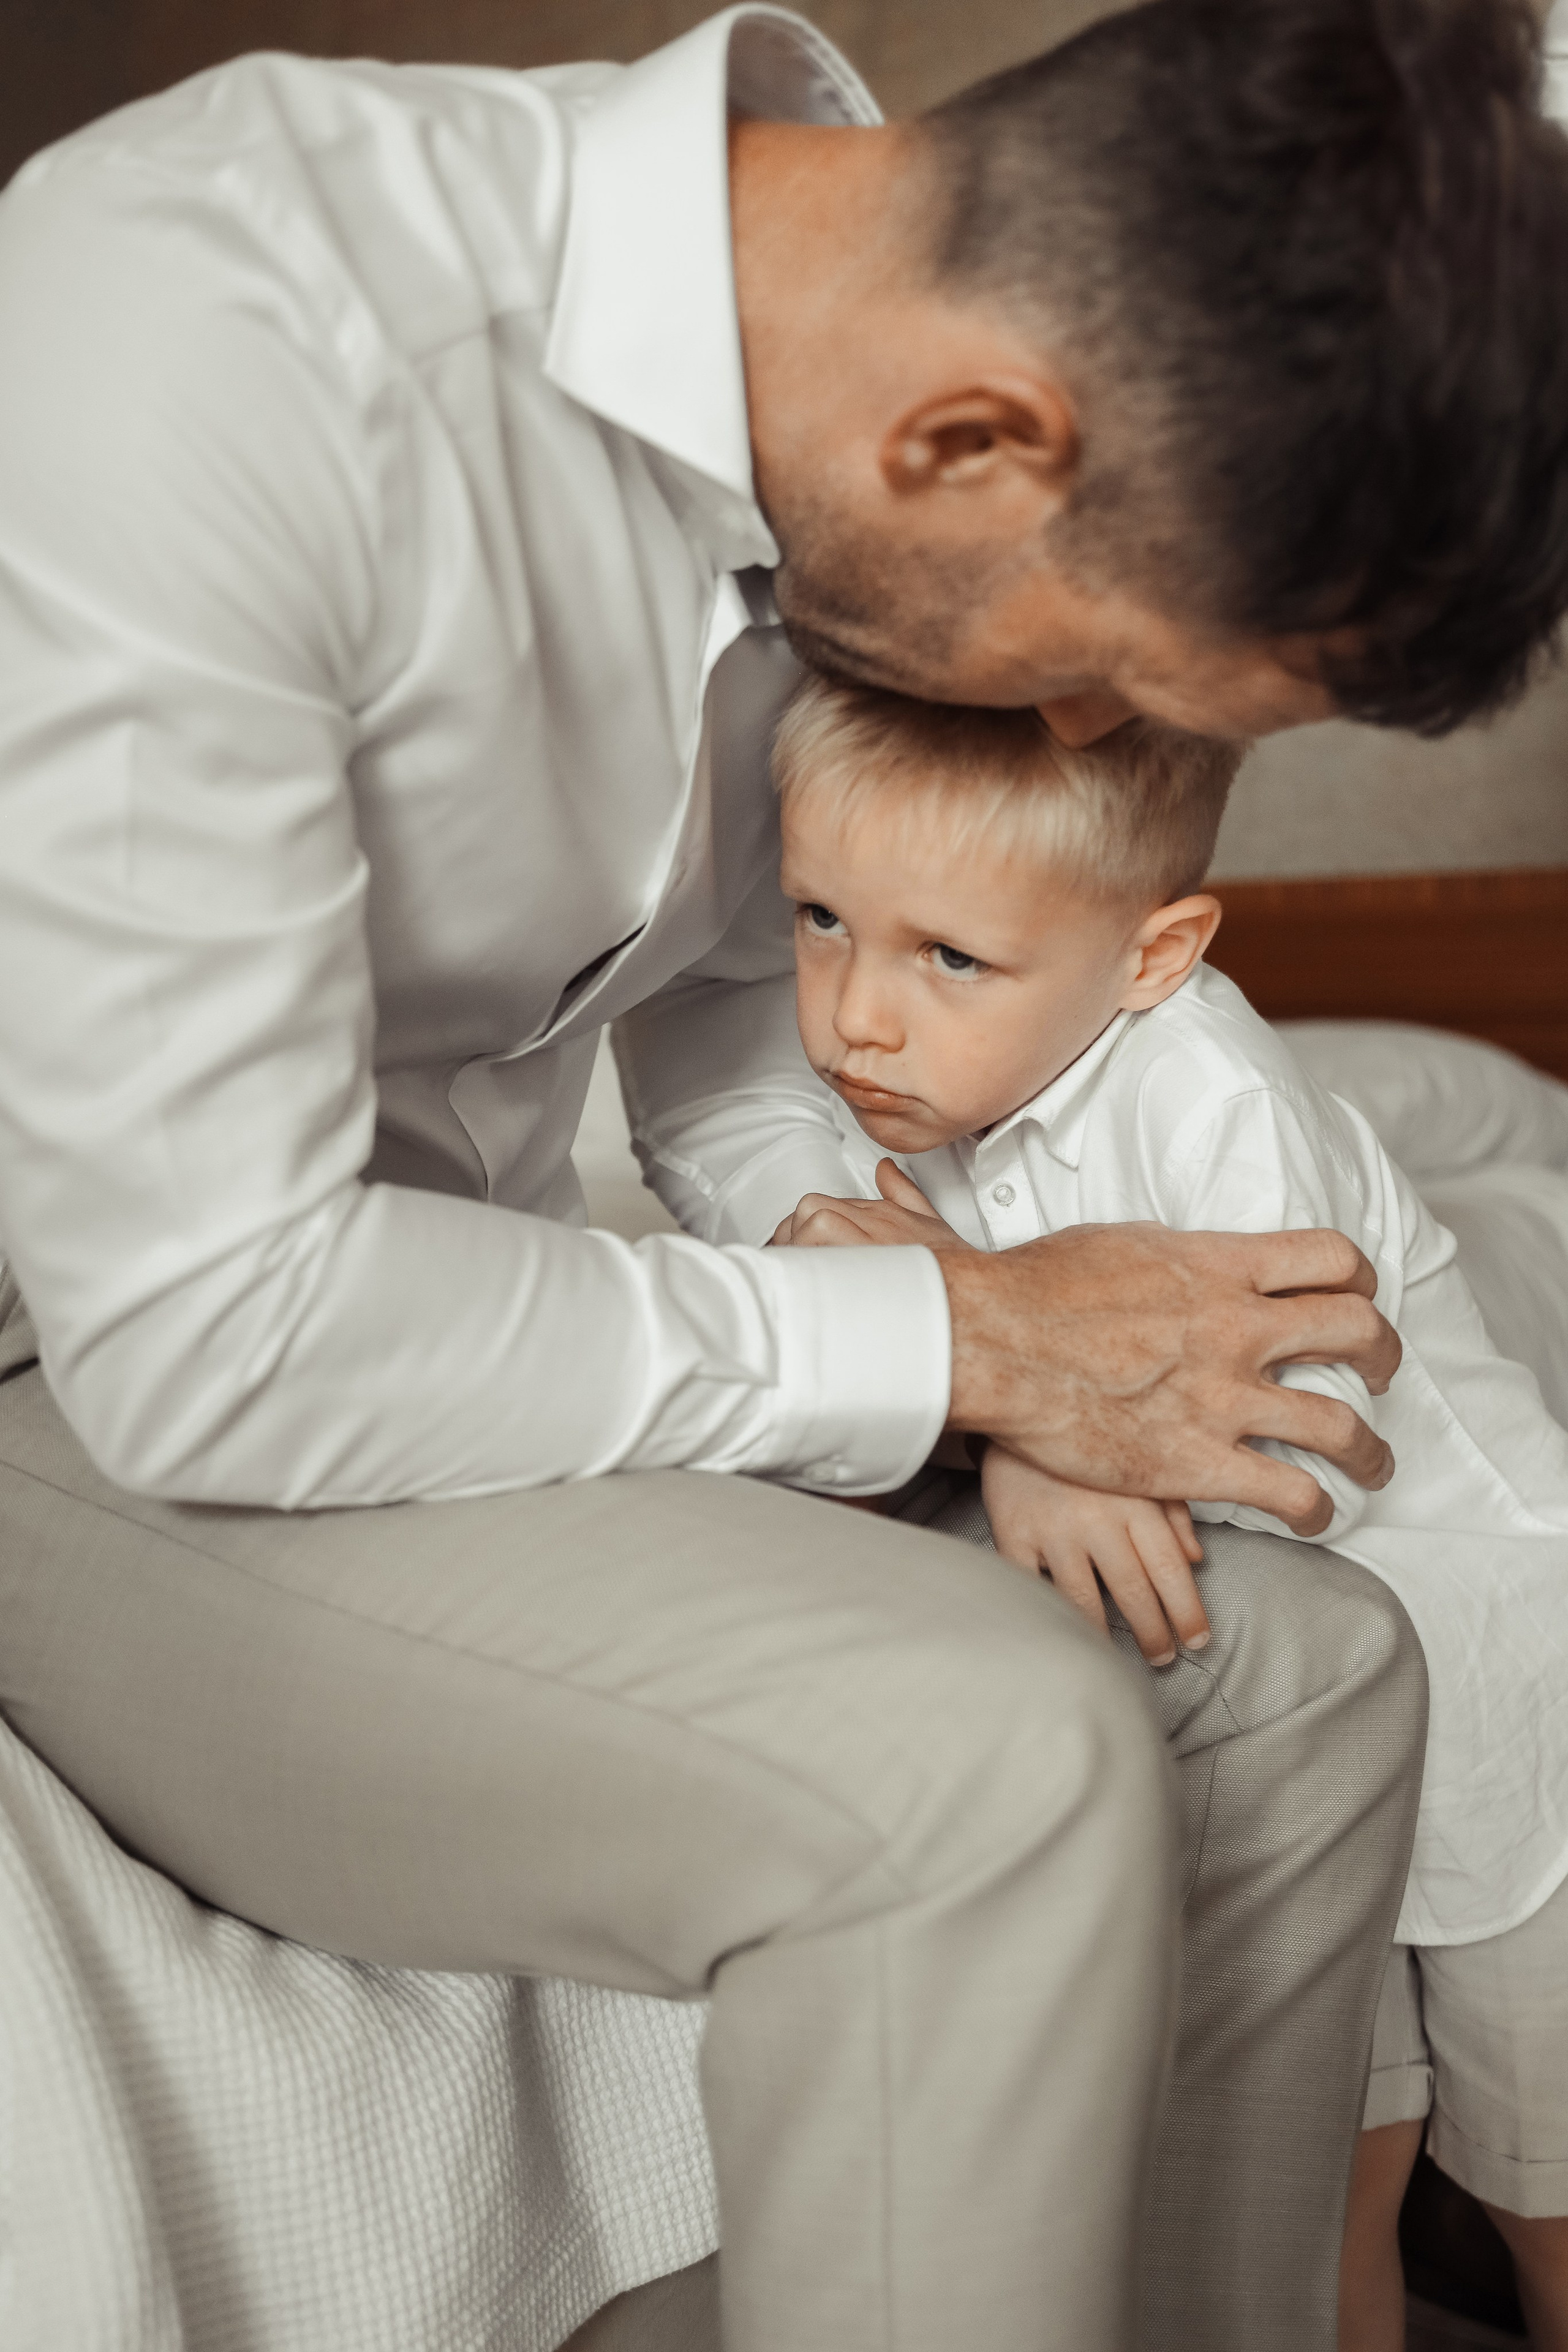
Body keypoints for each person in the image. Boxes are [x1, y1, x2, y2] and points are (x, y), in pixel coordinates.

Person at [0, 0, 1564, 2343]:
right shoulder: (203, 340)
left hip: (465, 1348)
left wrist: (954, 1346)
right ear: (973, 441)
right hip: (95, 1380)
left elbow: (740, 1042)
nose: (1065, 744)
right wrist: (959, 1343)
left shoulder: (811, 465)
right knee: (1005, 1760)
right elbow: (211, 1333)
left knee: (1314, 1668)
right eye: (1101, 683)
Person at [768, 674, 1568, 2352]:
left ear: (1153, 955)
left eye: (947, 959)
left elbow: (1286, 1431)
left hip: (1503, 1681)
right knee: (1322, 2177)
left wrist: (1031, 1411)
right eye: (819, 919)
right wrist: (1003, 1388)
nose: (854, 1018)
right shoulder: (892, 1104)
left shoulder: (1216, 1104)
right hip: (1284, 1721)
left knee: (1541, 2189)